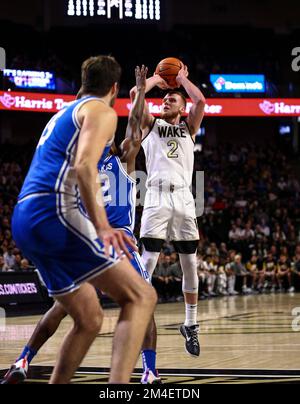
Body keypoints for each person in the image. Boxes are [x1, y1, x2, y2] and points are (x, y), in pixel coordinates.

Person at [2, 65, 160, 386]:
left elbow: (133, 125)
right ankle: (24, 357)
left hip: (108, 235)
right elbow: (87, 116)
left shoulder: (125, 157)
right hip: (90, 233)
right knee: (129, 299)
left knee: (91, 313)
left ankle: (149, 369)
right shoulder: (87, 149)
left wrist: (141, 91)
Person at [130, 63, 206, 357]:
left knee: (190, 265)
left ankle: (191, 324)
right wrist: (154, 80)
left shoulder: (189, 127)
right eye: (164, 98)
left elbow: (200, 101)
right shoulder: (151, 125)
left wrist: (183, 79)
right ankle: (138, 318)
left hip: (185, 199)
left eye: (172, 99)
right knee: (147, 262)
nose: (166, 100)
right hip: (157, 197)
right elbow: (137, 95)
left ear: (182, 107)